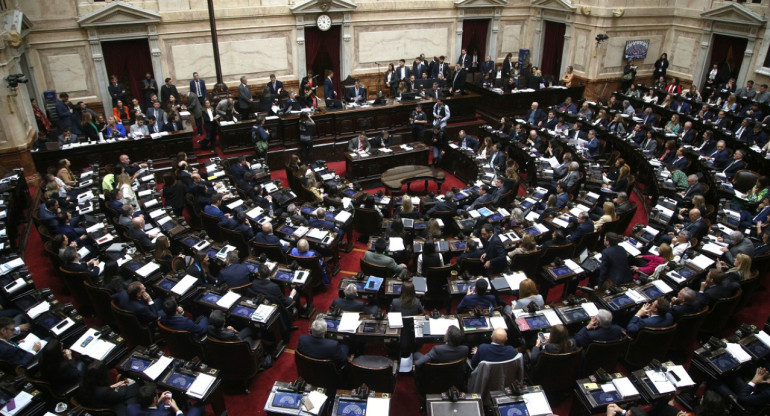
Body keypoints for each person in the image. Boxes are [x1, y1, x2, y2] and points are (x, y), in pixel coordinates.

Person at [127, 382, 204, 416]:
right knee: (198, 406)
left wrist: (159, 400)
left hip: (153, 408)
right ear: (154, 399)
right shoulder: (163, 414)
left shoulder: (130, 408)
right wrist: (176, 409)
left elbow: (148, 409)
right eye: (157, 394)